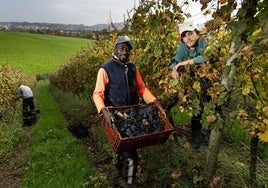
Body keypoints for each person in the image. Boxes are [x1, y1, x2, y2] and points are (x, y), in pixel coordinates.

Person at [93, 35, 166, 187]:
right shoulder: (105, 69)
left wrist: (155, 101)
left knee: (124, 148)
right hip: (115, 118)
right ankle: (129, 182)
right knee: (131, 154)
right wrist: (104, 111)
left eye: (128, 49)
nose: (125, 52)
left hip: (132, 116)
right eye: (122, 48)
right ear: (115, 49)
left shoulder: (133, 68)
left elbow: (141, 89)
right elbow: (97, 94)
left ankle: (117, 173)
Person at [169, 21, 211, 150]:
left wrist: (186, 62)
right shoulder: (183, 46)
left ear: (196, 33)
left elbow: (206, 57)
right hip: (198, 83)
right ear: (182, 38)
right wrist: (173, 69)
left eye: (191, 33)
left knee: (213, 110)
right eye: (185, 35)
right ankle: (196, 140)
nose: (189, 38)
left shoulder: (204, 40)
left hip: (213, 80)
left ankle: (209, 139)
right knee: (197, 109)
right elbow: (175, 60)